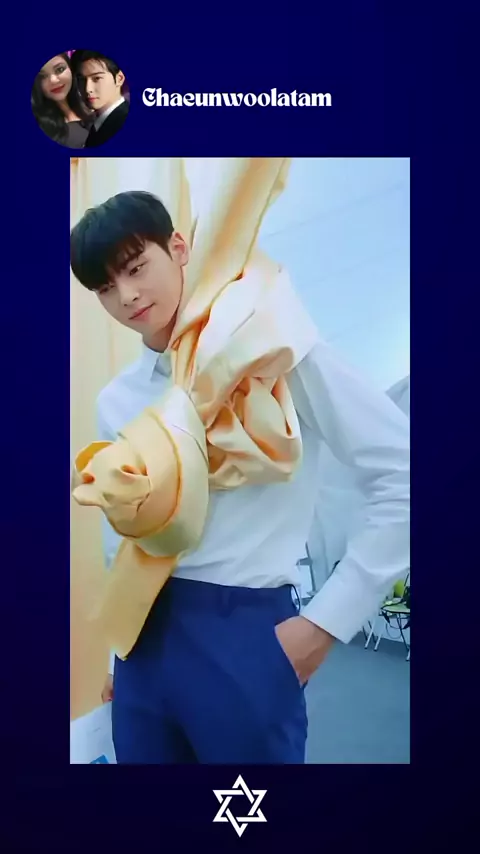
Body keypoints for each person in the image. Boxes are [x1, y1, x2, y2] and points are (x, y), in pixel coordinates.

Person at [70, 188, 410, 764]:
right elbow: (124, 538)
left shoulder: (272, 349)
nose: (126, 296)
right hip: (141, 643)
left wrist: (324, 625)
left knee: (247, 811)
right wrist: (115, 654)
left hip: (245, 631)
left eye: (135, 267)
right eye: (104, 287)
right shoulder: (118, 400)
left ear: (179, 249)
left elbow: (402, 472)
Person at [31, 53, 93, 148]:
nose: (53, 80)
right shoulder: (41, 126)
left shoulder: (91, 104)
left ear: (71, 69)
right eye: (42, 76)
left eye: (60, 69)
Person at [70, 50, 129, 148]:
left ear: (119, 79)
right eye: (81, 79)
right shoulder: (98, 121)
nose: (87, 89)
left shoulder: (122, 122)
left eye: (96, 78)